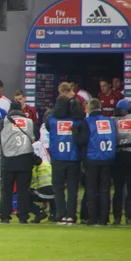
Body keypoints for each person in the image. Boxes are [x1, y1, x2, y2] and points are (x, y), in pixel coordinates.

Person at [0, 100, 39, 224]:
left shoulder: (4, 122)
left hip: (8, 160)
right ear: (21, 110)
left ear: (10, 110)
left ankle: (5, 217)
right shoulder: (29, 122)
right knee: (23, 190)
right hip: (25, 159)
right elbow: (37, 136)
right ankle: (23, 217)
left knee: (6, 190)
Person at [72, 99, 116, 226]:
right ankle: (104, 219)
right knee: (105, 190)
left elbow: (82, 141)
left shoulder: (87, 122)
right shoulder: (110, 121)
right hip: (108, 159)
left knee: (91, 190)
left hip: (92, 159)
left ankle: (92, 218)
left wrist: (75, 133)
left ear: (89, 109)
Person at [45, 95, 82, 225]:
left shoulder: (51, 119)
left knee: (58, 188)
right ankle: (71, 215)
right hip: (73, 158)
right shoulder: (76, 120)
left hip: (58, 158)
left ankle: (60, 214)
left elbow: (48, 127)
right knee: (72, 188)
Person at [111, 99, 131, 225]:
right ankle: (129, 217)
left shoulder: (113, 120)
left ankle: (117, 217)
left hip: (118, 155)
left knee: (118, 188)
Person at [28, 150, 54, 224]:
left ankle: (39, 213)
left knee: (23, 196)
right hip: (57, 194)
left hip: (44, 194)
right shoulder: (47, 164)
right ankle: (54, 215)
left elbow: (32, 184)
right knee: (54, 193)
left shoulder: (34, 168)